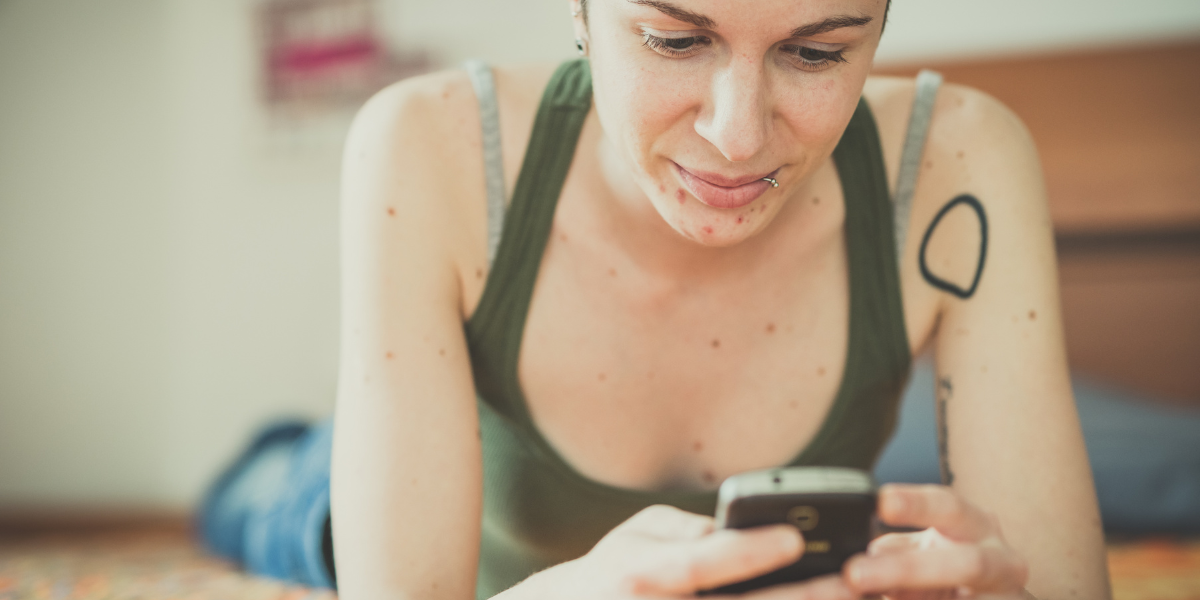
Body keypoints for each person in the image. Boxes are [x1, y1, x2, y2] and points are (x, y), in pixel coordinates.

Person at [204, 0, 1114, 598]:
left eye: (816, 51)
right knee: (274, 497)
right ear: (582, 10)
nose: (737, 133)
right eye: (675, 40)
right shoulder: (429, 146)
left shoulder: (958, 160)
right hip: (338, 504)